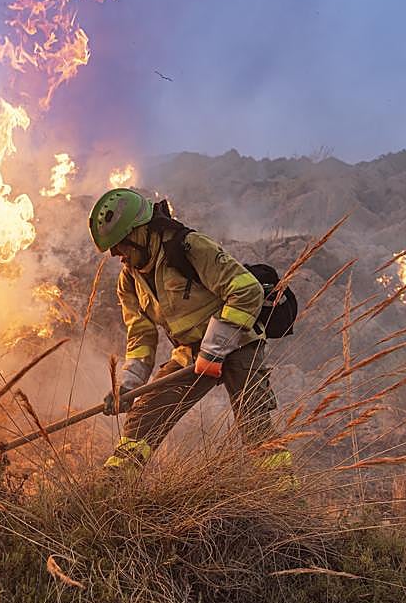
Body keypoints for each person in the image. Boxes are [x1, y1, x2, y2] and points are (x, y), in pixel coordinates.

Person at [88, 187, 290, 471]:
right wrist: (127, 387)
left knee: (254, 423)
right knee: (144, 417)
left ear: (140, 232)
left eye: (120, 244)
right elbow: (140, 338)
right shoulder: (129, 282)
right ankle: (113, 486)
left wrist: (215, 349)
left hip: (238, 342)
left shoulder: (188, 247)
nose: (116, 255)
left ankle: (282, 490)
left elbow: (246, 290)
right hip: (190, 354)